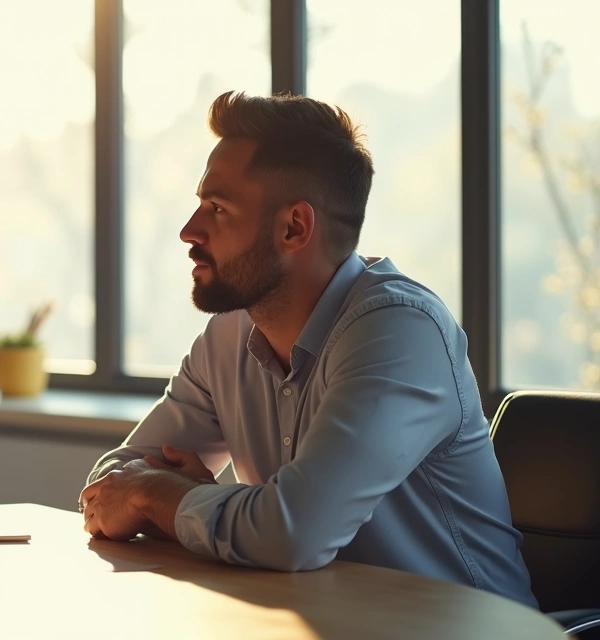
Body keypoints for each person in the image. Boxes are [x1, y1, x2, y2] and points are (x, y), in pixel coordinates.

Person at [79, 91, 537, 607]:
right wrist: (173, 504)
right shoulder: (229, 334)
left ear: (294, 227)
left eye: (216, 207)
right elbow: (110, 485)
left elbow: (291, 532)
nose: (189, 230)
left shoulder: (400, 332)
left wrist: (162, 497)